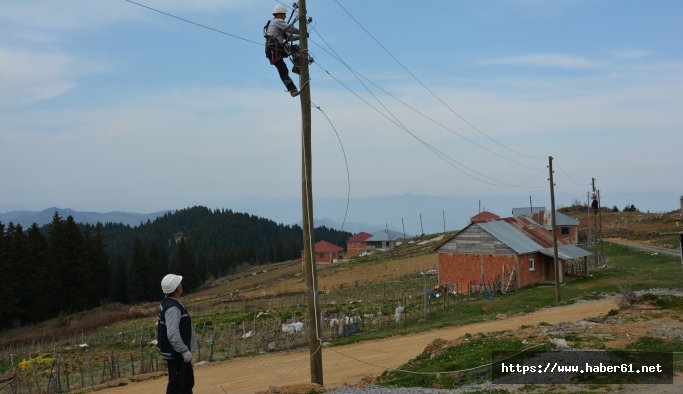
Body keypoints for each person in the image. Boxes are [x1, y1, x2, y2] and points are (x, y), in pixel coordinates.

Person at [157, 274, 197, 394]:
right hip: (177, 354)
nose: (181, 285)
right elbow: (173, 333)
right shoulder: (173, 308)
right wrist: (184, 350)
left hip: (178, 354)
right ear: (176, 289)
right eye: (179, 284)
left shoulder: (168, 302)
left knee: (187, 383)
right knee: (177, 388)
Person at [264, 4, 301, 97]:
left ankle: (293, 90)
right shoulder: (277, 21)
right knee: (283, 70)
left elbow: (289, 36)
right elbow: (290, 29)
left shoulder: (278, 25)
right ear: (280, 13)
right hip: (273, 50)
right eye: (284, 14)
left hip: (273, 50)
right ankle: (297, 63)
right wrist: (303, 31)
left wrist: (301, 36)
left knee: (283, 70)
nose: (285, 16)